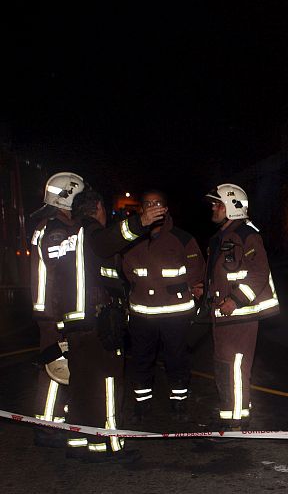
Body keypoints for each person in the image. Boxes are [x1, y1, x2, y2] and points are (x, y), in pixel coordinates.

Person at [63, 189, 166, 463]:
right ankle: (111, 444)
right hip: (99, 321)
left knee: (81, 384)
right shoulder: (92, 231)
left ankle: (78, 441)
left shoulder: (67, 235)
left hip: (75, 322)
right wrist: (139, 222)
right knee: (109, 381)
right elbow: (107, 242)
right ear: (97, 207)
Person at [200, 183, 279, 429]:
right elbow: (223, 273)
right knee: (226, 364)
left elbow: (258, 272)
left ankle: (235, 419)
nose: (213, 208)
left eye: (217, 204)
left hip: (240, 314)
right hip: (224, 315)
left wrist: (236, 300)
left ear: (232, 207)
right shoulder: (221, 237)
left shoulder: (247, 235)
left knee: (233, 365)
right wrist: (205, 289)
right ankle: (237, 410)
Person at [122, 190, 204, 424]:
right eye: (147, 204)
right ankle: (141, 406)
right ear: (141, 210)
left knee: (177, 360)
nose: (152, 207)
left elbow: (197, 272)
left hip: (175, 315)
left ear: (166, 209)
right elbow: (126, 272)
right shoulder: (132, 241)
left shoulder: (183, 239)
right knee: (140, 361)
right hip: (141, 315)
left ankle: (178, 405)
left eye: (158, 203)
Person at [28, 172, 84, 447]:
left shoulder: (49, 225)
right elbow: (63, 274)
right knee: (55, 369)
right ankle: (47, 425)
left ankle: (51, 421)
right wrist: (61, 315)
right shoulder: (57, 230)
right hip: (55, 313)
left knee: (58, 367)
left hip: (51, 311)